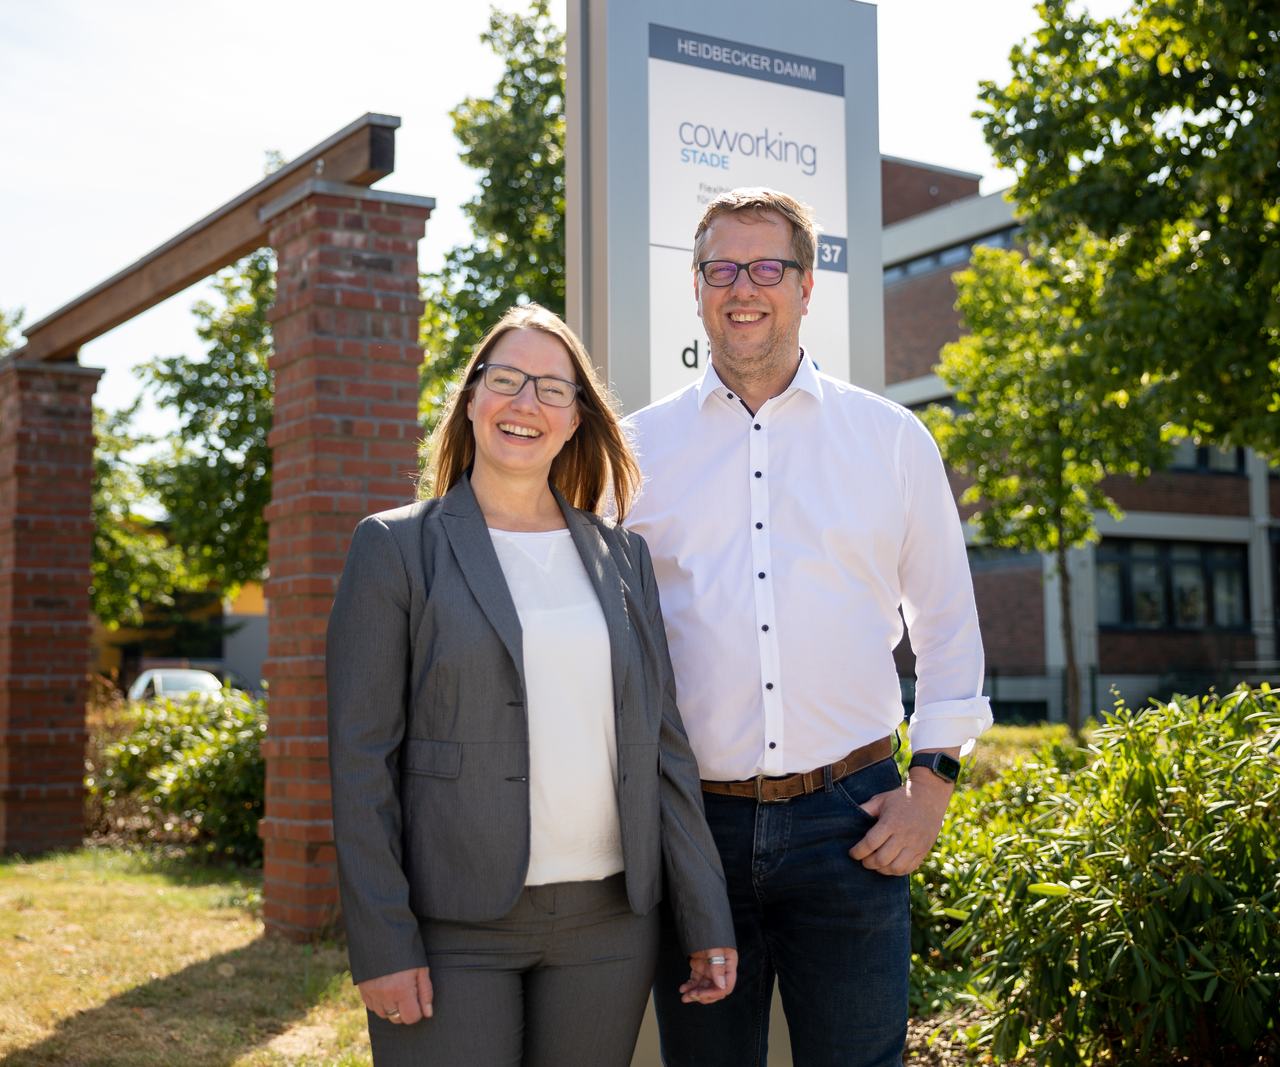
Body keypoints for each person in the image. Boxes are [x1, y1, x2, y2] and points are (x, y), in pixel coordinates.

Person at [625, 188, 993, 1067]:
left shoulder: (892, 438)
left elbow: (947, 623)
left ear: (806, 284)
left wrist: (934, 781)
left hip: (851, 820)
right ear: (698, 284)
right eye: (722, 267)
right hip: (697, 833)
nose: (742, 287)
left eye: (766, 267)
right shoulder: (636, 451)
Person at [326, 303, 738, 1066]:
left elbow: (663, 749)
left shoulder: (624, 558)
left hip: (609, 927)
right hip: (451, 927)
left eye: (553, 388)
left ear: (578, 417)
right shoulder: (395, 548)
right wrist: (382, 941)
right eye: (507, 380)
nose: (526, 404)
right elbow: (360, 764)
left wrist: (706, 915)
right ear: (472, 397)